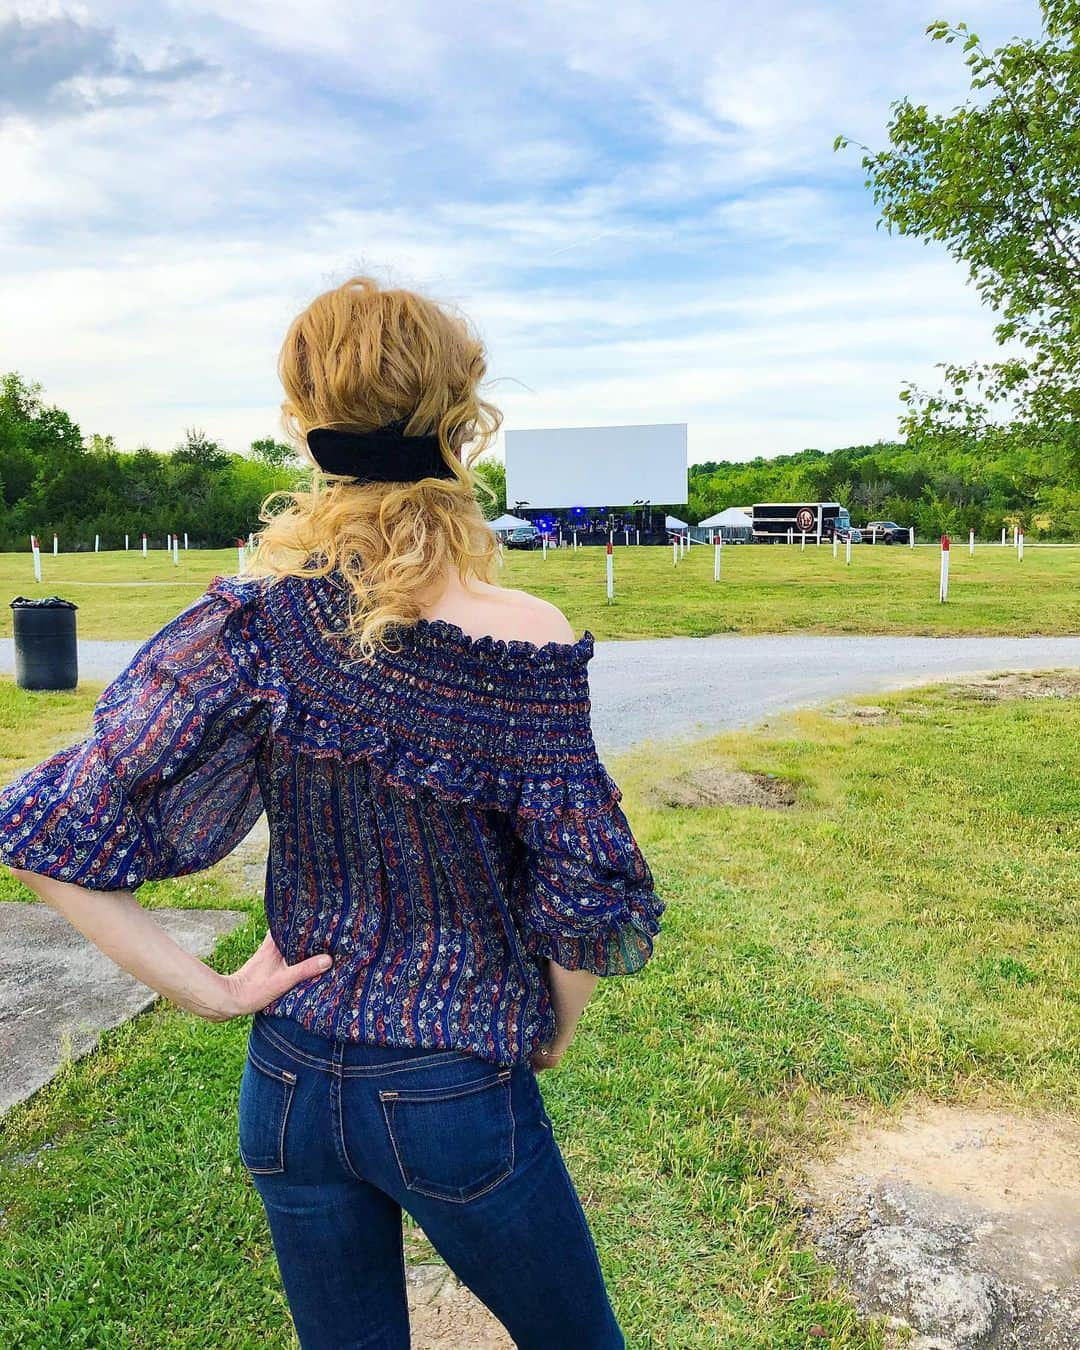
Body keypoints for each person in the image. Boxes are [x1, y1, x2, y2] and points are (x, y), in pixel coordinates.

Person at [0, 275, 666, 1349]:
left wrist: (217, 995)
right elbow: (584, 888)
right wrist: (554, 1026)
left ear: (305, 431)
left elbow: (44, 837)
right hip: (456, 1087)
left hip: (289, 1086)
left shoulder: (252, 623)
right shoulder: (527, 635)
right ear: (461, 423)